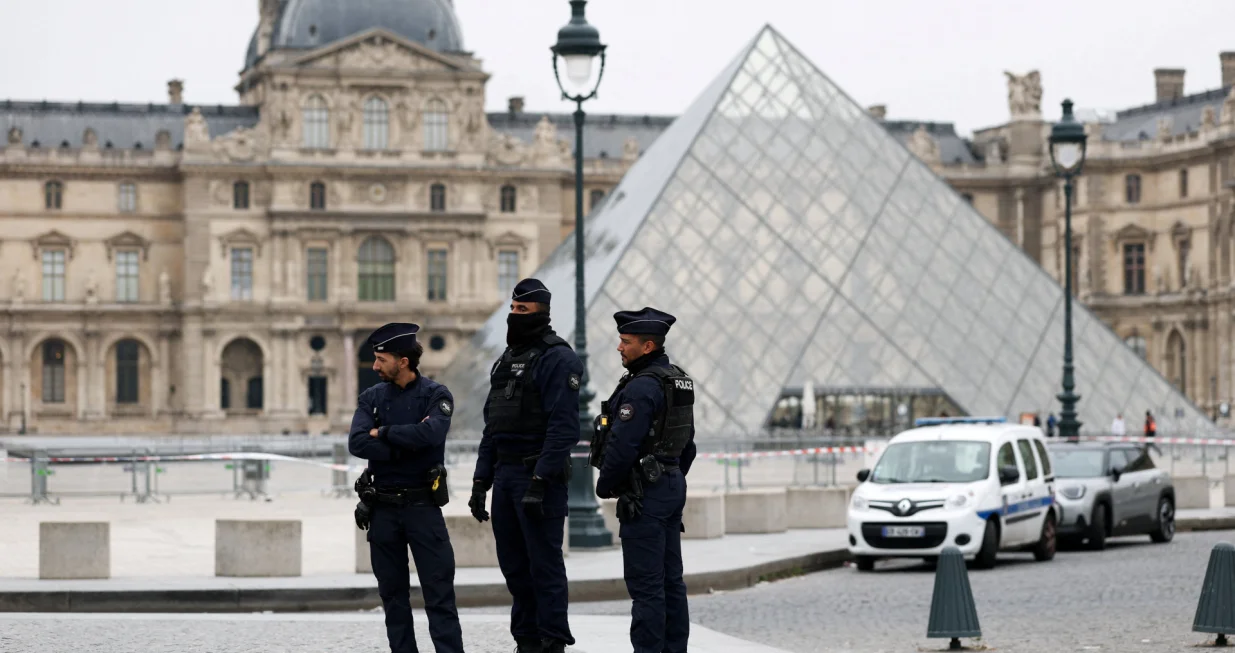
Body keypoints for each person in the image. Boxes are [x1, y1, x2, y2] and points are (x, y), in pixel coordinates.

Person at [469, 279, 582, 653]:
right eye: (512, 310)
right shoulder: (505, 360)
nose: (514, 317)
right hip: (505, 476)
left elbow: (563, 428)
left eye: (523, 311)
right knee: (515, 568)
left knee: (544, 567)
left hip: (538, 477)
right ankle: (526, 639)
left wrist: (540, 479)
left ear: (542, 314)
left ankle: (552, 640)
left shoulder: (558, 358)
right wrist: (480, 481)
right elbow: (494, 425)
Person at [349, 323, 464, 653]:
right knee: (392, 599)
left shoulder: (436, 395)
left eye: (381, 359)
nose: (374, 366)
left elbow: (431, 437)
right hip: (382, 510)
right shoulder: (371, 397)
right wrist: (408, 441)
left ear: (402, 360)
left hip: (423, 508)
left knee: (439, 595)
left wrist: (382, 433)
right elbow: (357, 443)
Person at [591, 307, 697, 653]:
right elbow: (688, 444)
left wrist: (606, 484)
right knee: (671, 582)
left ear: (648, 346)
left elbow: (623, 444)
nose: (620, 348)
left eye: (626, 342)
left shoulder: (641, 388)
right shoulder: (678, 380)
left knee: (646, 586)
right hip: (670, 484)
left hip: (645, 492)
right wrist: (670, 473)